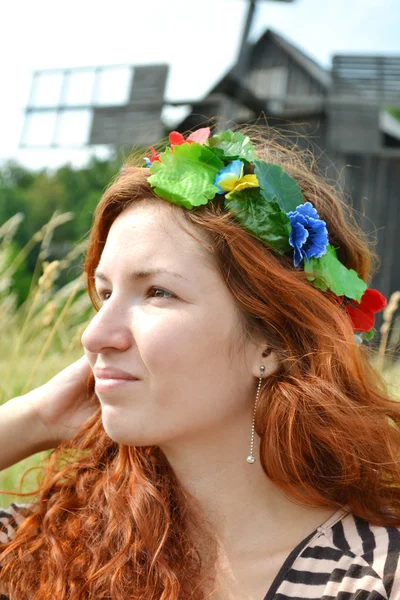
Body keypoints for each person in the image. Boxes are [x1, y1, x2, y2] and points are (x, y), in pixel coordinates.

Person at [0, 125, 399, 600]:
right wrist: (32, 418)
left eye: (158, 292)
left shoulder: (374, 577)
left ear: (271, 342)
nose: (94, 335)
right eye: (104, 294)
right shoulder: (50, 545)